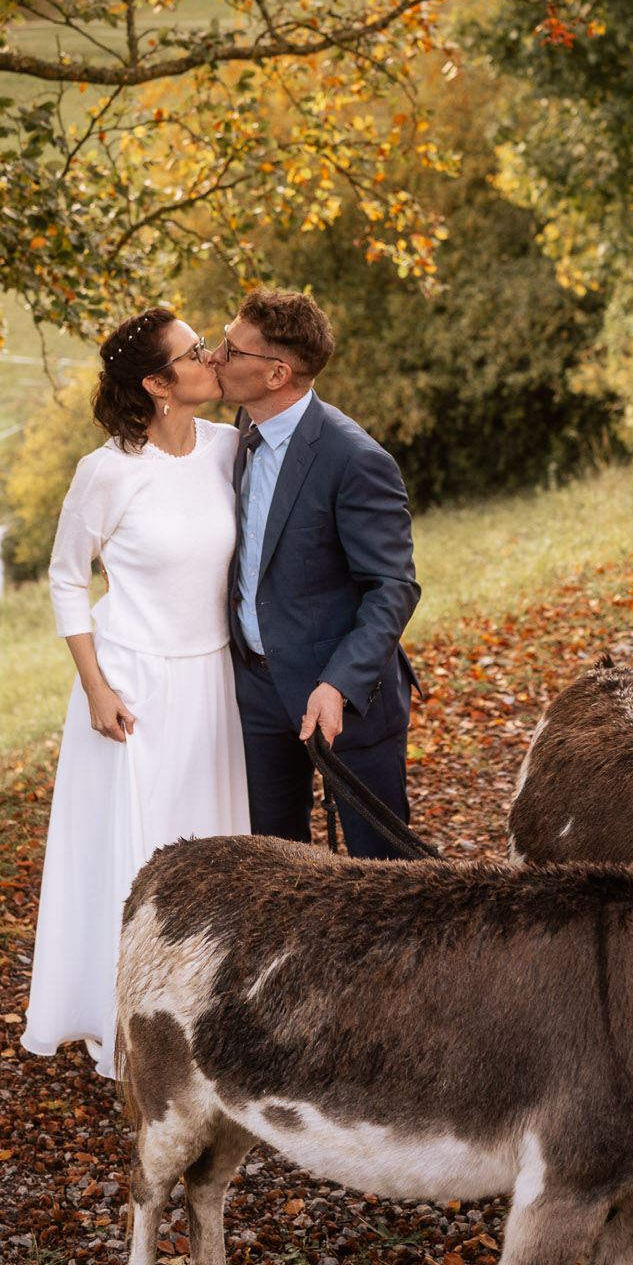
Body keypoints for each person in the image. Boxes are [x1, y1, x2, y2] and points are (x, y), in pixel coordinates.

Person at [21, 306, 248, 1079]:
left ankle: (204, 1012)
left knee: (212, 847)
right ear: (158, 383)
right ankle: (129, 1023)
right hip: (132, 687)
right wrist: (94, 686)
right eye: (196, 351)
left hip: (211, 677)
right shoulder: (108, 470)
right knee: (136, 858)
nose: (213, 356)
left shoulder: (228, 449)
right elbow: (63, 577)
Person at [213, 288, 421, 857]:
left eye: (231, 350)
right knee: (275, 868)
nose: (215, 358)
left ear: (277, 373)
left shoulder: (356, 460)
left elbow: (394, 586)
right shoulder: (239, 431)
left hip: (346, 698)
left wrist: (338, 685)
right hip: (256, 694)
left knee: (386, 872)